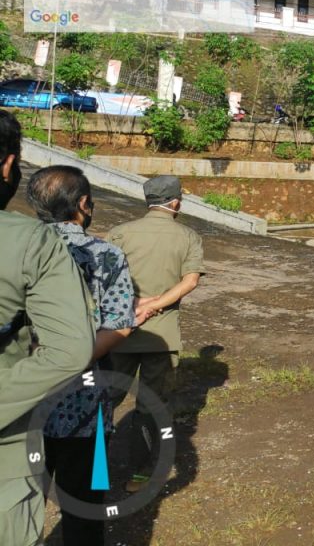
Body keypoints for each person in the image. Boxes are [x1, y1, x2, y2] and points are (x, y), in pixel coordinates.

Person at [25, 166, 144, 546]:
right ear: (82, 204)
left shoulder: (15, 251)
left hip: (19, 405)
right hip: (87, 410)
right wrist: (71, 359)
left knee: (16, 507)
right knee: (85, 510)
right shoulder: (106, 255)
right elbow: (120, 325)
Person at [0, 110, 94, 546]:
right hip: (56, 399)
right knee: (84, 485)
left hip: (37, 398)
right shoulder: (39, 245)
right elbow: (79, 345)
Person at [106, 175, 204, 492]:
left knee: (105, 399)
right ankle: (140, 474)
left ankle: (90, 467)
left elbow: (104, 279)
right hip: (161, 336)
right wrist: (156, 305)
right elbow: (190, 281)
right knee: (151, 404)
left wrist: (132, 303)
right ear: (175, 202)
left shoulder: (119, 234)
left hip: (117, 333)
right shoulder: (188, 236)